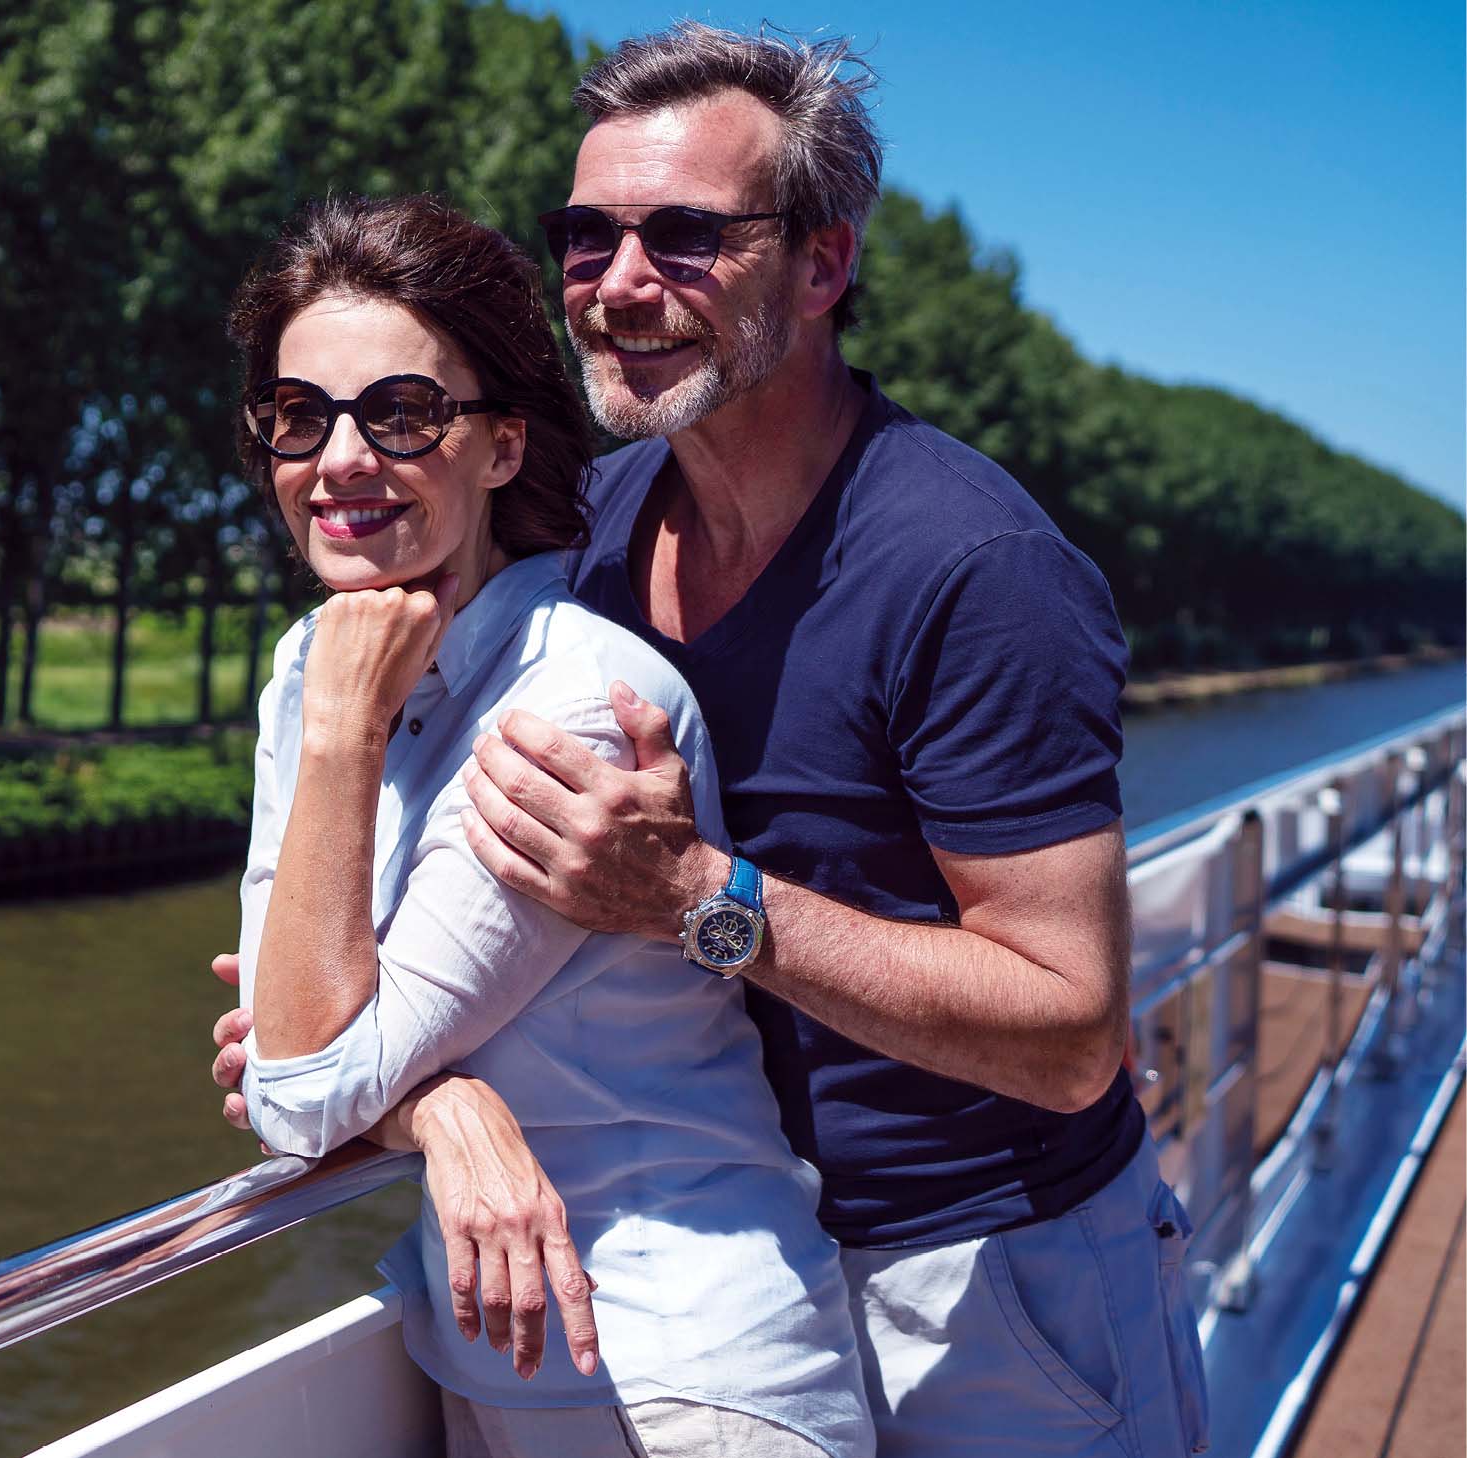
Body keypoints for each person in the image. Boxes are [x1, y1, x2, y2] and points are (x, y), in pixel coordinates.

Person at [211, 23, 1208, 1458]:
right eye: (586, 236)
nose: (621, 284)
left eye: (686, 237)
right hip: (734, 1247)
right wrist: (438, 1100)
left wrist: (696, 898)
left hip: (988, 1273)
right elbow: (328, 1032)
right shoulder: (594, 538)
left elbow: (1069, 1036)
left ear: (820, 266)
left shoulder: (970, 568)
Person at [220, 192, 870, 1458]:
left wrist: (348, 738)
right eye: (300, 417)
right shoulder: (310, 667)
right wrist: (442, 1111)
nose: (340, 459)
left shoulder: (573, 708)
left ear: (502, 447)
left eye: (402, 414)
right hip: (494, 1369)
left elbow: (296, 1087)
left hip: (688, 1377)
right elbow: (286, 1034)